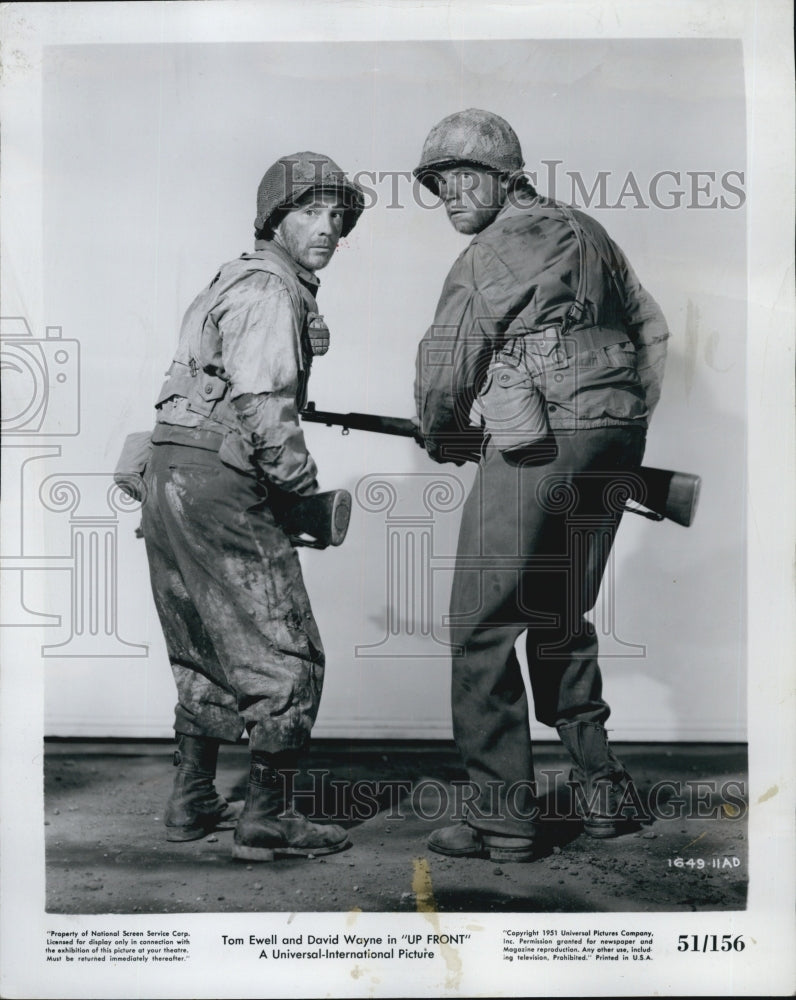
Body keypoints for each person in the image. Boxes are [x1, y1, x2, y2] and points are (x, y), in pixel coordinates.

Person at [412, 109, 669, 861]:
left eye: (465, 176)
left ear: (506, 177)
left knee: (483, 624)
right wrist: (621, 421)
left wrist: (442, 433)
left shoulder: (488, 252)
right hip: (615, 439)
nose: (450, 193)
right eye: (438, 181)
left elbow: (444, 366)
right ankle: (601, 794)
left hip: (540, 442)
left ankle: (502, 821)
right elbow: (651, 331)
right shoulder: (591, 230)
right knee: (559, 611)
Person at [141, 152, 365, 861]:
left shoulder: (229, 278)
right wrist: (298, 491)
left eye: (338, 216)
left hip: (168, 469)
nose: (327, 227)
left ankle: (192, 799)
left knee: (204, 639)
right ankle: (267, 818)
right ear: (275, 218)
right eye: (309, 211)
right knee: (284, 646)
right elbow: (265, 408)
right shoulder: (270, 290)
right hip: (221, 482)